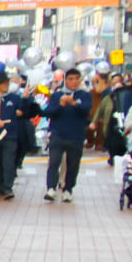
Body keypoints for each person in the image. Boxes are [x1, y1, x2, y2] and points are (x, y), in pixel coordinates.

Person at [43, 68, 92, 203]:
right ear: (65, 81)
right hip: (58, 135)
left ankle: (68, 189)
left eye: (76, 78)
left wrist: (74, 104)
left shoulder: (85, 96)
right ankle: (51, 188)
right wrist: (61, 105)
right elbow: (49, 112)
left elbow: (86, 111)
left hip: (76, 136)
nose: (74, 81)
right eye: (70, 79)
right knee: (54, 162)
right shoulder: (57, 95)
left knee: (73, 165)